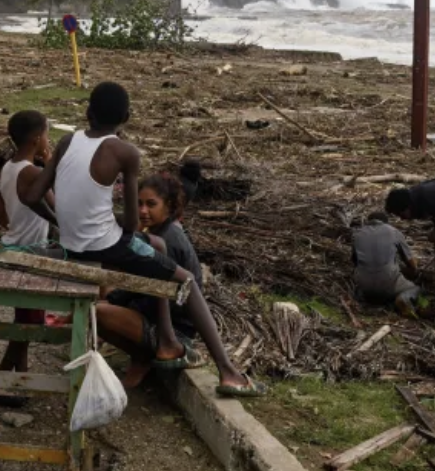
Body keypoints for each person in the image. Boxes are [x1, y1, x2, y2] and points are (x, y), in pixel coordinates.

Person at [21, 81, 266, 398]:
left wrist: (62, 222)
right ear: (126, 116)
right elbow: (133, 223)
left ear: (88, 112)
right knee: (186, 279)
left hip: (71, 245)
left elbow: (31, 195)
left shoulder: (67, 142)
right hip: (108, 246)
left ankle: (165, 341)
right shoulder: (125, 152)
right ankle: (229, 372)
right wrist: (112, 224)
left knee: (158, 250)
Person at [97, 172, 203, 388]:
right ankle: (140, 356)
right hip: (154, 314)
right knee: (98, 304)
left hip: (173, 330)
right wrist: (115, 299)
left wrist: (114, 302)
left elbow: (154, 296)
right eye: (139, 204)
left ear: (169, 206)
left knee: (96, 312)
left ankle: (143, 357)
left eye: (151, 204)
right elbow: (142, 283)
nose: (143, 211)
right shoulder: (156, 232)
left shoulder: (168, 240)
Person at [0, 110, 57, 404]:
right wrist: (52, 163)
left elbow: (1, 212)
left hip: (11, 243)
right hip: (31, 252)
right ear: (36, 138)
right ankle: (5, 377)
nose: (48, 140)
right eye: (46, 135)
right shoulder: (32, 172)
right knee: (30, 320)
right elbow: (58, 208)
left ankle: (15, 375)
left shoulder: (9, 167)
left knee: (26, 317)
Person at [351, 212, 420, 317]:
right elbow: (410, 261)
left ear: (368, 222)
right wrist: (414, 272)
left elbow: (355, 262)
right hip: (388, 281)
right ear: (386, 222)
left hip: (364, 285)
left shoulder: (357, 234)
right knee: (414, 288)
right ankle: (403, 298)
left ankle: (364, 297)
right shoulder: (394, 232)